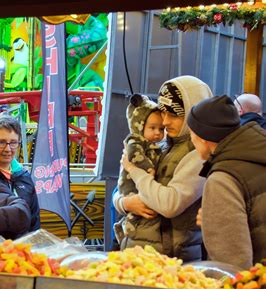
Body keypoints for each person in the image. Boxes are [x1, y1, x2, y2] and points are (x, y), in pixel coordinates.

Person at [113, 75, 212, 262]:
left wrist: (135, 171)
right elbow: (122, 187)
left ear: (193, 112)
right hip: (137, 252)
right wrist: (124, 203)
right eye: (163, 113)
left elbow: (169, 204)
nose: (165, 122)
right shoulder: (161, 144)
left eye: (173, 115)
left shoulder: (199, 151)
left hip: (173, 260)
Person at [187, 95, 266, 269]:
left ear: (202, 138)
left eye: (191, 134)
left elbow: (232, 265)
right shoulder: (258, 152)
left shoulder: (222, 179)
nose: (191, 140)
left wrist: (214, 219)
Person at [114, 94, 165, 248]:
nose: (158, 133)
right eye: (152, 128)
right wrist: (149, 168)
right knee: (135, 215)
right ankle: (121, 231)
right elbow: (134, 157)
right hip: (130, 186)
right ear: (139, 126)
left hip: (138, 189)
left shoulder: (154, 145)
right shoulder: (135, 140)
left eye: (161, 129)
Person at [0, 114, 40, 231]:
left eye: (13, 143)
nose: (8, 149)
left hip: (20, 246)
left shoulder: (24, 177)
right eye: (1, 142)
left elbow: (34, 220)